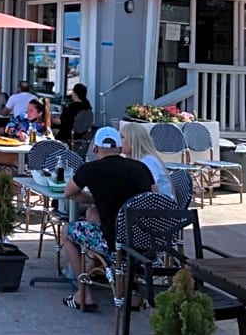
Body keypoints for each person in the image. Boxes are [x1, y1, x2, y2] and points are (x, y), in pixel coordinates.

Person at [61, 126, 157, 311]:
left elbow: (70, 193)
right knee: (94, 216)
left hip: (113, 242)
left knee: (67, 231)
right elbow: (154, 197)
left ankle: (84, 293)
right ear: (120, 149)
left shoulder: (91, 169)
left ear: (96, 149)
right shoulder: (140, 167)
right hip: (142, 241)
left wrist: (96, 198)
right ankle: (132, 292)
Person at [121, 122, 176, 199]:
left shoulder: (148, 162)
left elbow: (147, 189)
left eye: (122, 137)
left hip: (160, 207)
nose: (118, 141)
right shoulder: (134, 160)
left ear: (133, 140)